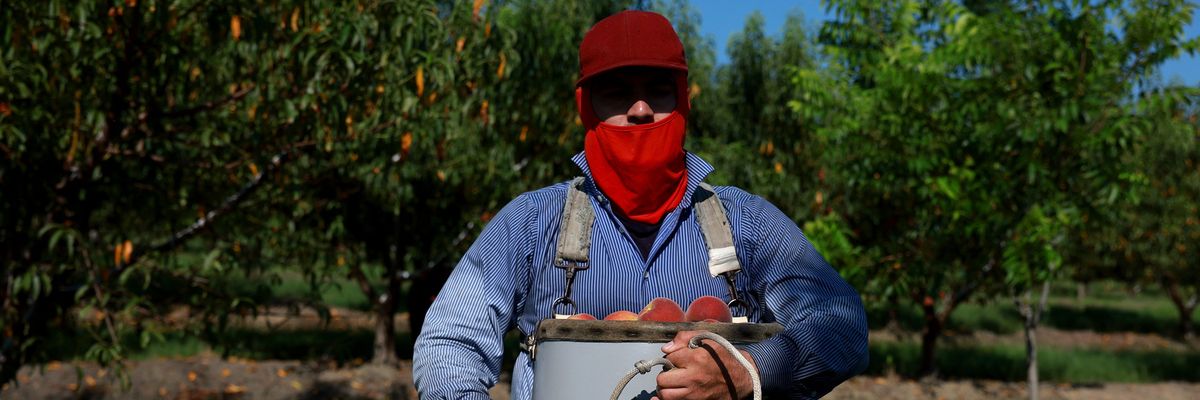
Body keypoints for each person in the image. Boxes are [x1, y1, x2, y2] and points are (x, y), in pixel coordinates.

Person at [413, 10, 868, 400]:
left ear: (683, 100)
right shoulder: (532, 223)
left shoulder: (745, 223)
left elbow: (841, 324)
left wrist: (750, 369)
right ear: (585, 107)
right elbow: (449, 342)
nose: (641, 110)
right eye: (616, 91)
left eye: (659, 88)